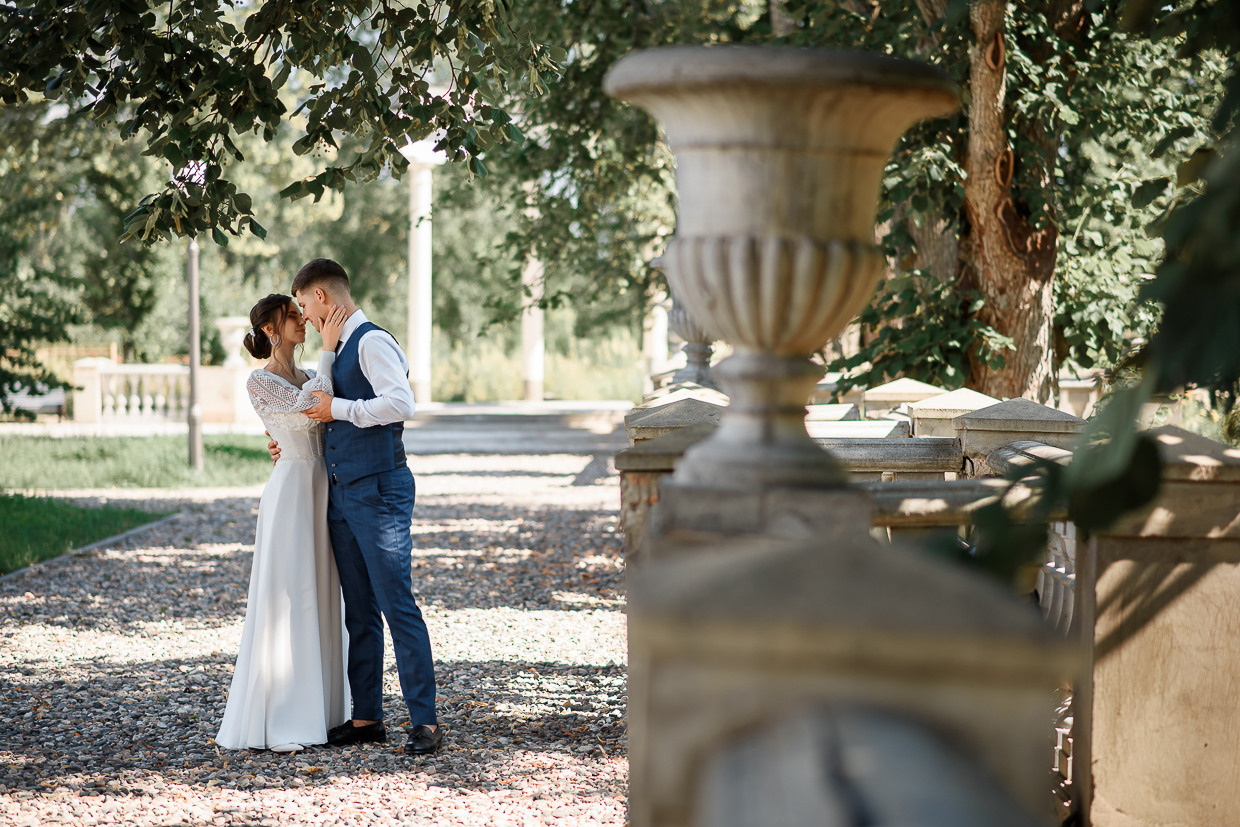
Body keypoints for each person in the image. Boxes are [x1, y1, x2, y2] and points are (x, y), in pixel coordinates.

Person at [270, 258, 443, 756]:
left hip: (380, 490)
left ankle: (425, 721)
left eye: (304, 304)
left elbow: (402, 403)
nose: (303, 315)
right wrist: (286, 441)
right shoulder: (337, 348)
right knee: (359, 611)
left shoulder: (371, 342)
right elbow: (320, 415)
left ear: (324, 298)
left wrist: (336, 410)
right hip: (343, 492)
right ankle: (367, 717)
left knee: (395, 603)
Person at [216, 293, 349, 753]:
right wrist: (330, 353)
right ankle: (284, 714)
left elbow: (327, 409)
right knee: (290, 594)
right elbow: (312, 406)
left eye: (300, 314)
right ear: (271, 330)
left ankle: (325, 711)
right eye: (293, 316)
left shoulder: (311, 375)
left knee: (323, 593)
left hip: (323, 490)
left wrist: (325, 365)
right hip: (291, 492)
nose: (303, 321)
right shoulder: (260, 381)